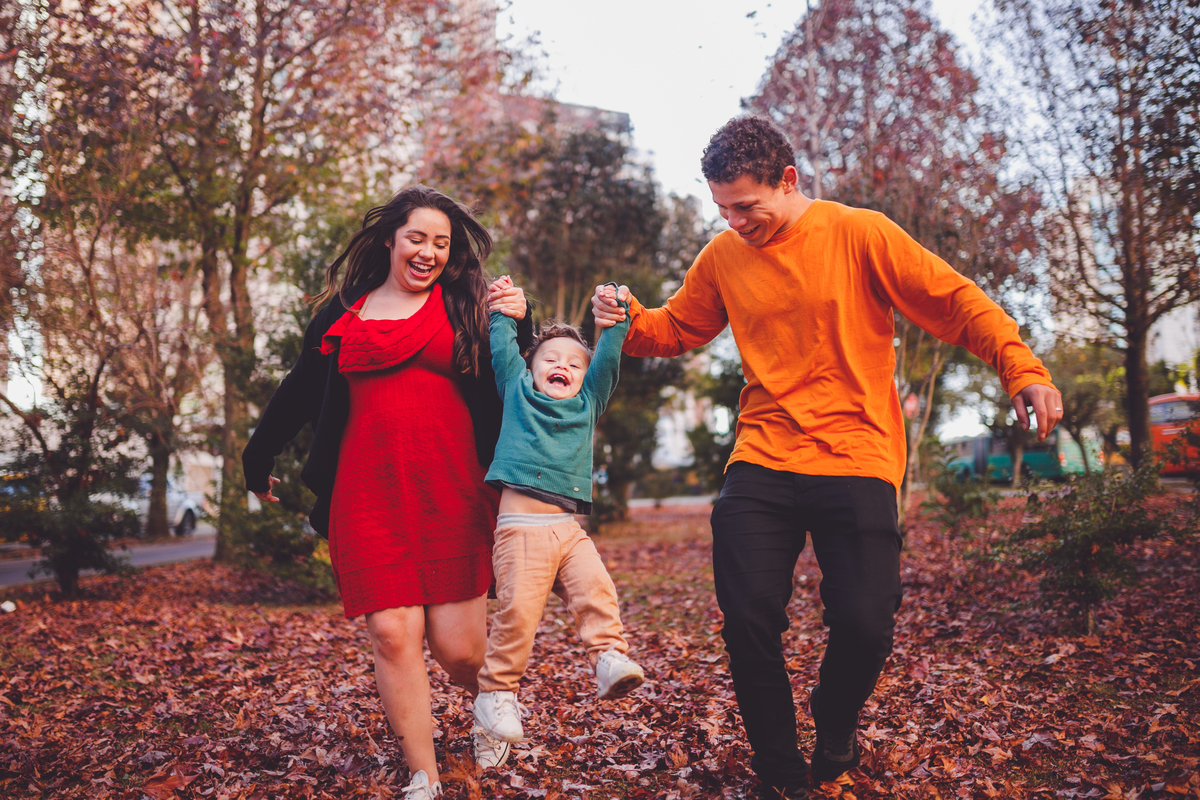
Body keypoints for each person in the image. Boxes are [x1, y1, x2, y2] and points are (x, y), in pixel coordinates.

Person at [592, 117, 1063, 800]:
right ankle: (783, 776)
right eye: (722, 209)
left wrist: (1021, 368)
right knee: (748, 616)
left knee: (866, 622)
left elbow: (955, 301)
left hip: (857, 453)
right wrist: (625, 314)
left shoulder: (859, 233)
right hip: (763, 455)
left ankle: (835, 722)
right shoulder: (725, 255)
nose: (734, 221)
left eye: (746, 206)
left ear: (788, 180)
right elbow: (676, 327)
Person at [242, 186, 534, 800]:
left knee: (459, 652)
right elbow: (300, 387)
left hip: (451, 491)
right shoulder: (344, 313)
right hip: (367, 494)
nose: (428, 251)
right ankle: (423, 773)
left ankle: (489, 702)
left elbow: (520, 375)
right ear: (390, 240)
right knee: (393, 634)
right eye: (417, 238)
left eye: (441, 242)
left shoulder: (466, 306)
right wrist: (258, 452)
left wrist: (521, 318)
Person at [471, 277, 646, 745]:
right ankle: (495, 695)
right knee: (518, 619)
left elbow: (609, 354)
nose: (561, 366)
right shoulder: (515, 389)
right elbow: (502, 345)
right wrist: (502, 310)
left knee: (596, 590)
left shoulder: (589, 401)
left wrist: (615, 314)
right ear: (530, 366)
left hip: (567, 529)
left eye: (573, 363)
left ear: (585, 376)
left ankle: (608, 656)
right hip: (520, 531)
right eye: (550, 359)